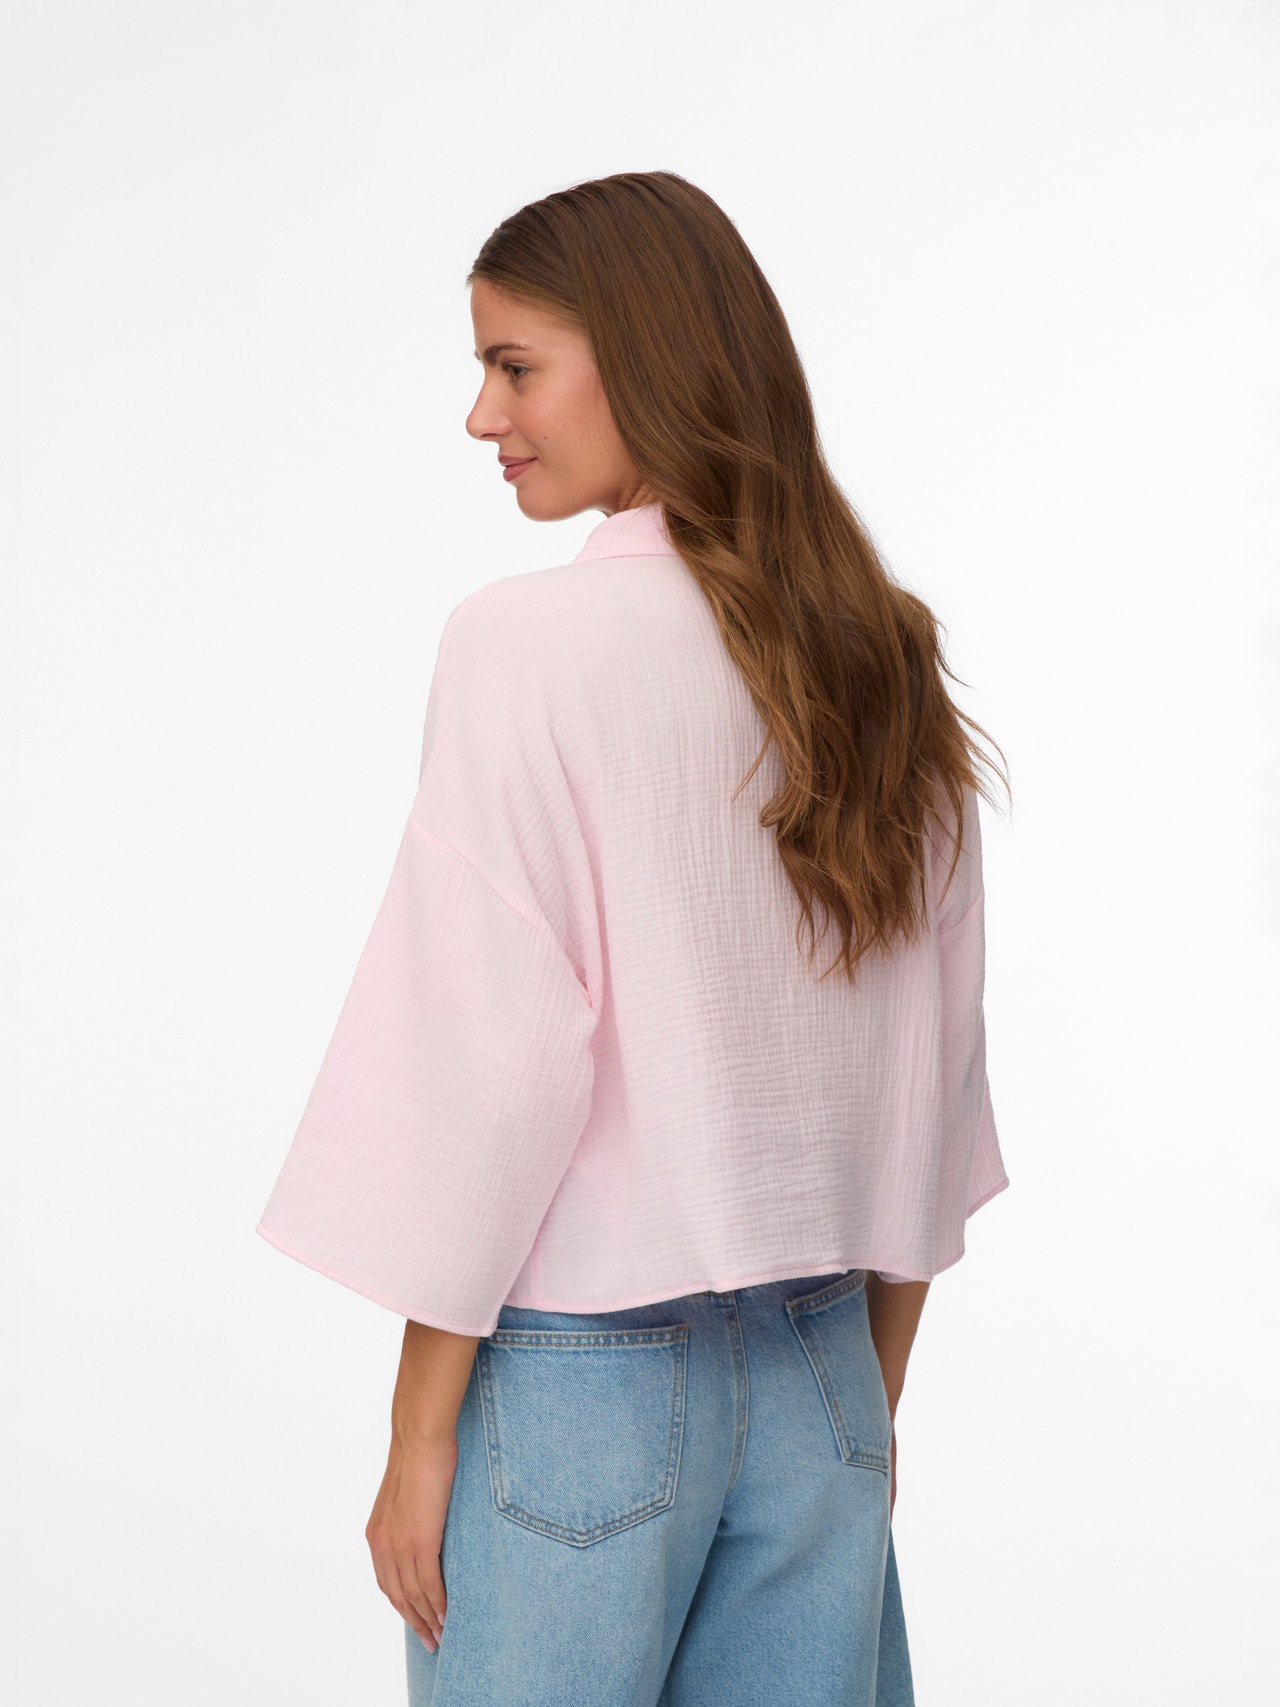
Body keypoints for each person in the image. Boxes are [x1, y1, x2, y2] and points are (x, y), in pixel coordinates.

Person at [255, 169, 1011, 1707]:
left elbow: (485, 1060)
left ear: (648, 360)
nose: (483, 415)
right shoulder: (878, 654)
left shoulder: (527, 644)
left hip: (578, 1394)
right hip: (824, 1373)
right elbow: (932, 1079)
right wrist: (863, 1410)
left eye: (514, 366)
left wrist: (419, 1435)